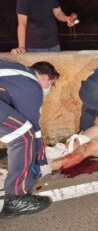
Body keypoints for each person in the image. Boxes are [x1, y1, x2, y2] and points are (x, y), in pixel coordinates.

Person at [0, 59, 60, 218]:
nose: (49, 89)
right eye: (52, 84)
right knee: (24, 137)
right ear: (45, 77)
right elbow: (33, 128)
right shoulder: (32, 85)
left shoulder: (17, 74)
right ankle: (16, 198)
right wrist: (42, 161)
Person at [11, 0, 77, 55]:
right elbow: (22, 23)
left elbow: (58, 12)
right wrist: (21, 46)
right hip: (34, 47)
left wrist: (67, 18)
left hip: (54, 45)